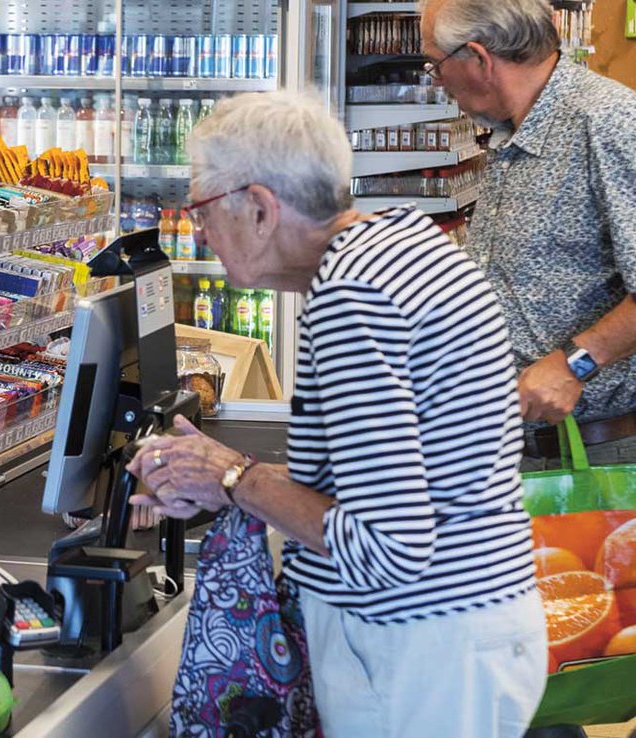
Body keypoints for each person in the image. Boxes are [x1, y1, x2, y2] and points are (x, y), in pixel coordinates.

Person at [127, 92, 547, 737]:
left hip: (416, 654)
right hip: (467, 634)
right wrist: (223, 485)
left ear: (263, 208)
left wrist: (236, 477)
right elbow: (389, 472)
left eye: (201, 208)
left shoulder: (353, 298)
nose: (199, 230)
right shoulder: (404, 248)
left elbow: (387, 546)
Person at [420, 0, 636, 469]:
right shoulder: (513, 130)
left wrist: (577, 362)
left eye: (435, 65)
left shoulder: (608, 123)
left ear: (478, 58)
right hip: (516, 453)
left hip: (597, 461)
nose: (436, 82)